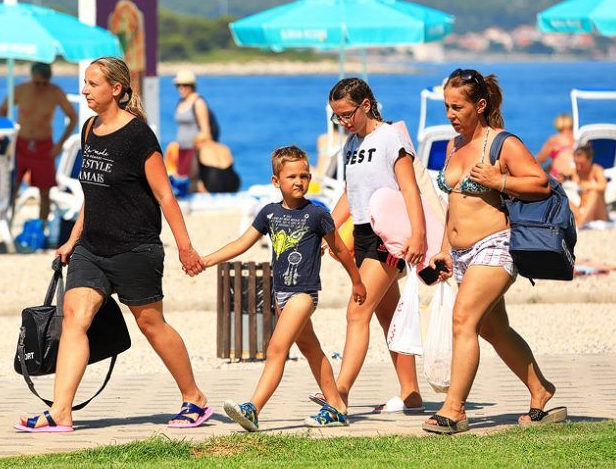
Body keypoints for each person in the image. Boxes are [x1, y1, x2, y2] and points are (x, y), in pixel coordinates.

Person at [15, 57, 209, 433]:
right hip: (92, 248)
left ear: (116, 89)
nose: (84, 91)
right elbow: (94, 193)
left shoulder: (138, 135)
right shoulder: (89, 129)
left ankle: (195, 398)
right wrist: (72, 239)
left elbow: (165, 196)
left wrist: (185, 248)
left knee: (151, 324)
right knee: (74, 319)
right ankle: (60, 412)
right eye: (85, 84)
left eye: (91, 84)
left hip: (135, 248)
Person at [425, 68, 561, 434]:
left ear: (480, 105)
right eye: (446, 107)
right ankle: (540, 389)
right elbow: (454, 204)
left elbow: (541, 184)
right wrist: (444, 250)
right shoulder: (454, 146)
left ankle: (454, 409)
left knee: (463, 319)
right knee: (494, 330)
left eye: (458, 107)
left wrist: (498, 180)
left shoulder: (502, 143)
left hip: (496, 246)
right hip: (461, 255)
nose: (450, 114)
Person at [201, 145, 365, 431]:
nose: (299, 181)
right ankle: (336, 405)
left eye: (304, 176)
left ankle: (253, 408)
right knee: (311, 349)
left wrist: (357, 281)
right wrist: (207, 260)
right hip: (280, 294)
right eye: (291, 177)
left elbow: (340, 249)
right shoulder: (269, 213)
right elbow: (242, 243)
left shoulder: (317, 214)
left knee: (277, 348)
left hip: (304, 295)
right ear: (276, 181)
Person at [318, 78, 428, 416]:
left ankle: (339, 394)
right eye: (338, 117)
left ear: (366, 104)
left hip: (390, 234)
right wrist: (325, 229)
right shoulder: (350, 145)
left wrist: (418, 235)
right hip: (363, 234)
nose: (344, 122)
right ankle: (410, 392)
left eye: (348, 113)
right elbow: (350, 197)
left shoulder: (390, 137)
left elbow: (410, 189)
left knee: (357, 310)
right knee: (386, 314)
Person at [0, 62, 78, 222]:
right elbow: (3, 109)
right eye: (37, 82)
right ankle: (6, 225)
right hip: (20, 144)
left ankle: (42, 229)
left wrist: (60, 144)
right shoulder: (22, 89)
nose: (41, 86)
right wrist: (7, 135)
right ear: (32, 77)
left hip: (43, 146)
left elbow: (73, 117)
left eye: (44, 83)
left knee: (45, 191)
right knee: (12, 187)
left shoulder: (55, 93)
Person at [172, 70, 213, 189]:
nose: (181, 88)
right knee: (183, 181)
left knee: (195, 182)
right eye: (178, 85)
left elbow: (206, 131)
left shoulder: (198, 102)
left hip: (194, 150)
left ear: (192, 86)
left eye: (185, 85)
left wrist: (197, 147)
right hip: (182, 148)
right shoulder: (180, 102)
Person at [569, 143, 609, 227]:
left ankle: (579, 223)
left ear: (589, 160)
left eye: (582, 164)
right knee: (563, 198)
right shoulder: (574, 172)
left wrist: (585, 184)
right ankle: (580, 220)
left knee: (594, 192)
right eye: (576, 164)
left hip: (598, 213)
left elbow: (603, 186)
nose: (579, 167)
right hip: (581, 211)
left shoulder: (596, 170)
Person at [535, 113, 576, 182]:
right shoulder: (577, 139)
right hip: (574, 177)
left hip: (559, 178)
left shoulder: (554, 140)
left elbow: (538, 161)